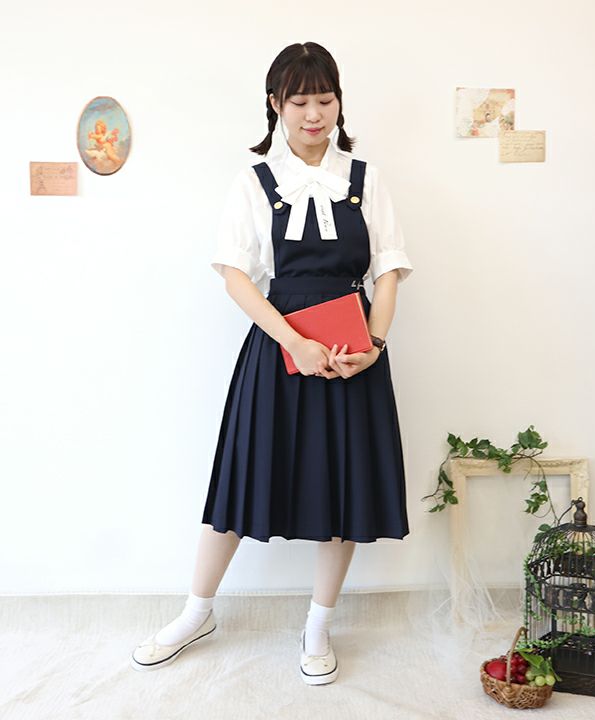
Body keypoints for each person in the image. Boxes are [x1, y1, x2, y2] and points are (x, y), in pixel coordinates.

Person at [131, 41, 413, 685]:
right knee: (240, 478)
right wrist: (294, 343)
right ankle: (196, 612)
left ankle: (318, 624)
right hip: (279, 346)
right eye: (300, 101)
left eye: (325, 100)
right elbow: (236, 276)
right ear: (276, 105)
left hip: (353, 352)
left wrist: (373, 347)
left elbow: (389, 271)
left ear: (339, 102)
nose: (314, 114)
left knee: (342, 487)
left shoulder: (366, 179)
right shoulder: (254, 182)